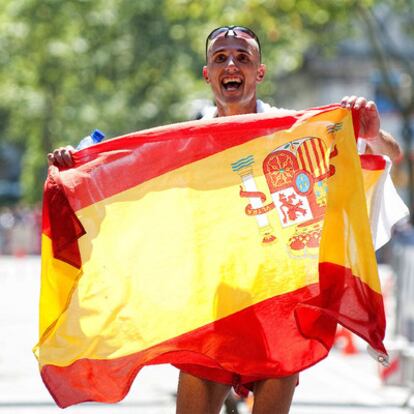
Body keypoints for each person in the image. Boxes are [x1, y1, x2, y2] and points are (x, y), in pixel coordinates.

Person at [48, 26, 401, 414]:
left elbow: (389, 154)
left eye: (242, 58)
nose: (231, 64)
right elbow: (129, 178)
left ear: (259, 73)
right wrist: (78, 167)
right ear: (207, 73)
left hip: (277, 308)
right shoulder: (187, 139)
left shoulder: (292, 130)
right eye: (220, 58)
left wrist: (372, 134)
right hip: (211, 310)